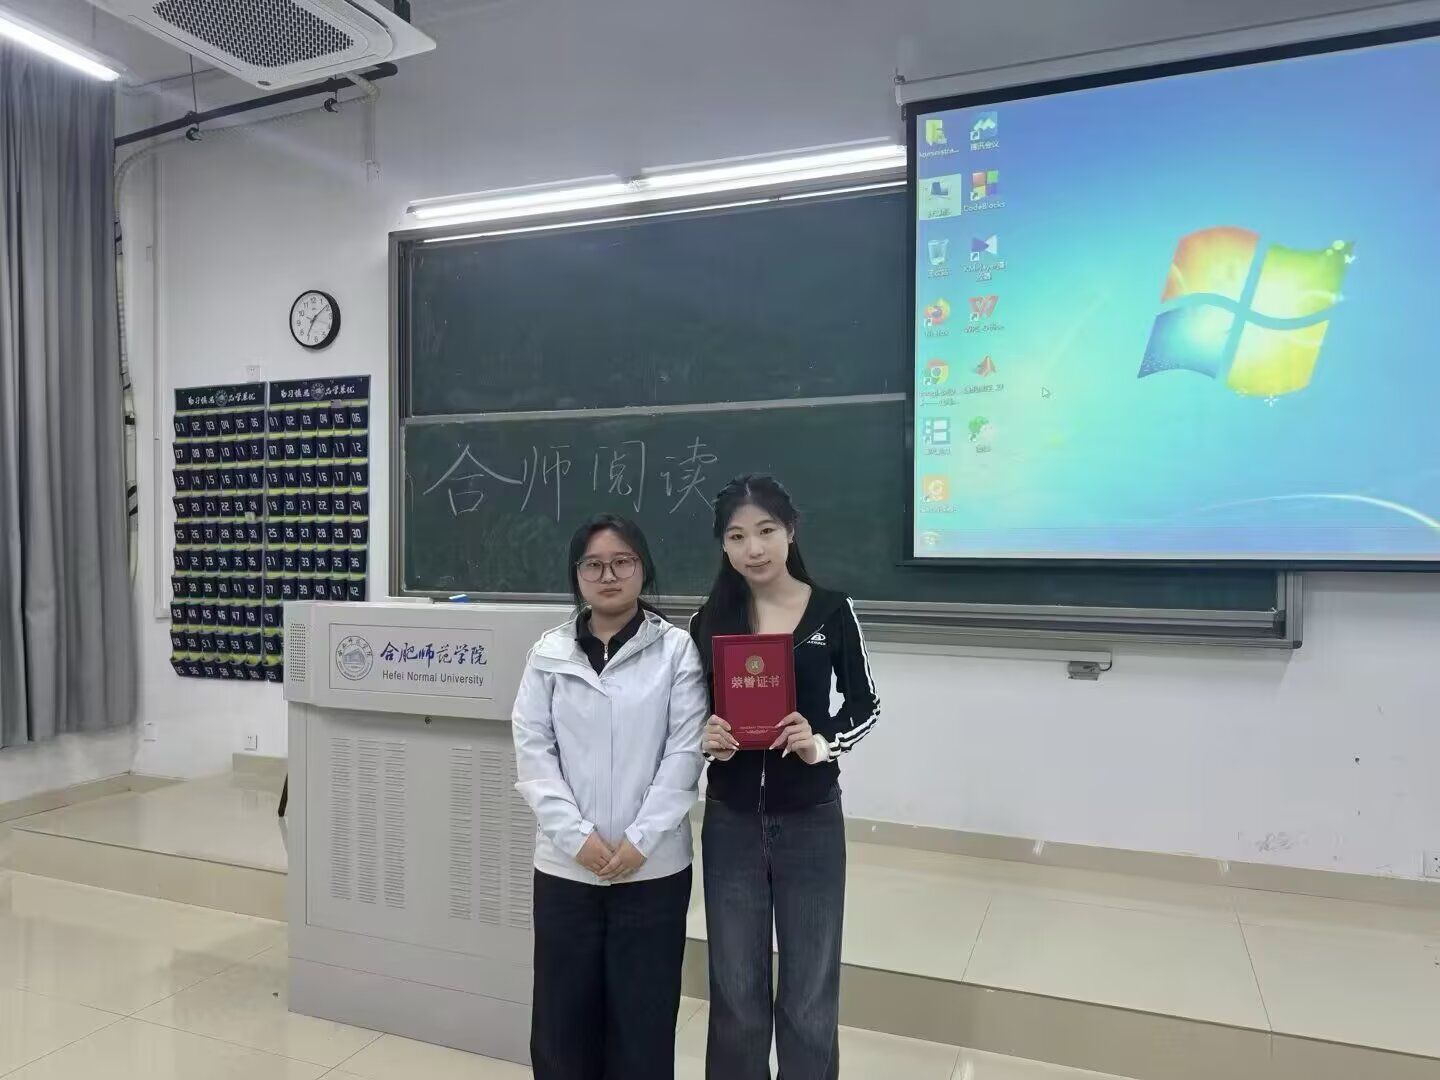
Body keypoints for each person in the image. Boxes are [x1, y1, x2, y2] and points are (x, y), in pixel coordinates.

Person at [689, 475, 881, 1080]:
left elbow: (866, 703)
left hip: (811, 818)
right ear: (723, 545)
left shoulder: (832, 610)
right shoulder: (708, 620)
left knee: (809, 991)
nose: (754, 548)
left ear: (790, 532)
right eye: (737, 536)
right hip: (731, 821)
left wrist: (822, 742)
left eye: (766, 530)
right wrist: (705, 736)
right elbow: (688, 713)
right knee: (736, 990)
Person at [512, 513, 708, 1080]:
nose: (608, 575)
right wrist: (577, 839)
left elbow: (685, 751)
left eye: (622, 562)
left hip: (652, 870)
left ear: (643, 569)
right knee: (561, 1022)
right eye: (593, 565)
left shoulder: (676, 651)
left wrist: (640, 842)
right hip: (566, 869)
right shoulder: (549, 652)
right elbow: (533, 750)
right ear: (577, 575)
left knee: (642, 1021)